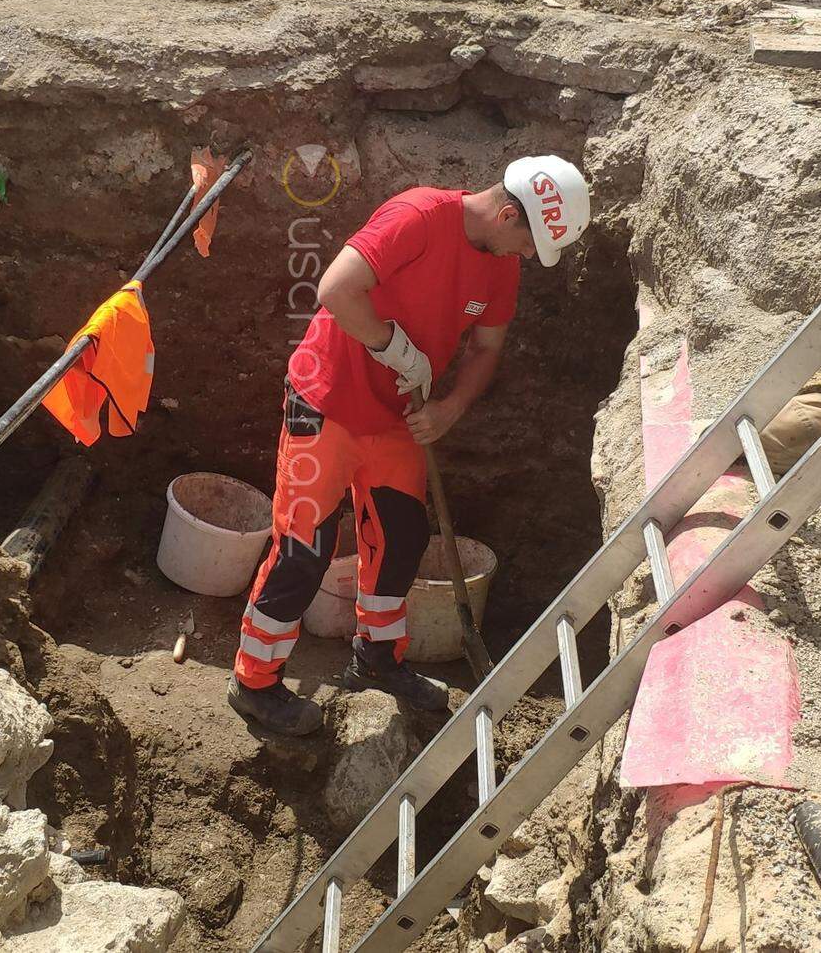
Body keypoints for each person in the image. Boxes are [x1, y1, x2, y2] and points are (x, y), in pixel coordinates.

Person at [228, 156, 591, 736]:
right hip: (326, 401)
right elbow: (336, 289)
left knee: (400, 538)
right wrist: (390, 346)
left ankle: (376, 660)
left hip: (401, 416)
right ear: (504, 214)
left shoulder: (499, 263)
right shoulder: (418, 216)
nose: (527, 257)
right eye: (527, 243)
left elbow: (485, 350)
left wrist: (450, 408)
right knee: (304, 547)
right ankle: (254, 682)